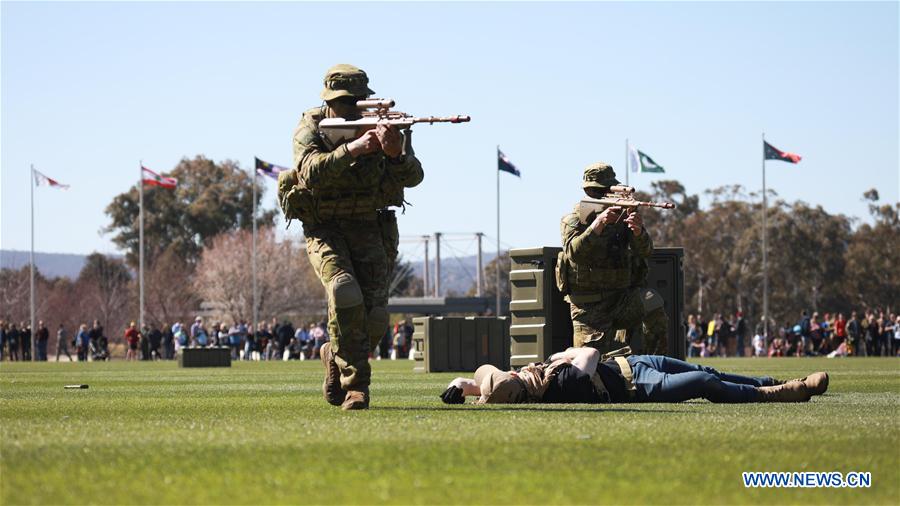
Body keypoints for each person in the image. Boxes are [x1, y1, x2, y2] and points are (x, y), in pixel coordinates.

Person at [285, 64, 424, 410]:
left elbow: (415, 177)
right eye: (344, 102)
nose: (351, 108)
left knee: (375, 318)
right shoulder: (311, 127)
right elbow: (309, 171)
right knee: (344, 290)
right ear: (328, 101)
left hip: (370, 225)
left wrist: (396, 153)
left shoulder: (385, 124)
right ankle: (356, 387)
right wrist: (354, 148)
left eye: (358, 101)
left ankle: (335, 355)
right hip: (325, 227)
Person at [440, 347, 829, 406]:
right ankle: (779, 392)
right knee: (704, 384)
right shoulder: (561, 384)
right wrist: (564, 354)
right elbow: (588, 352)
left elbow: (475, 383)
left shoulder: (526, 384)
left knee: (706, 369)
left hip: (636, 362)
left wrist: (460, 388)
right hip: (641, 385)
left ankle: (765, 379)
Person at [557, 163, 665, 355]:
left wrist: (638, 232)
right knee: (589, 364)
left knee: (652, 302)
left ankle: (653, 364)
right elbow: (574, 253)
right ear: (589, 191)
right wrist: (597, 225)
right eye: (602, 191)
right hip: (588, 309)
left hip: (620, 301)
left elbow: (646, 251)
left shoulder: (622, 218)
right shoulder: (573, 220)